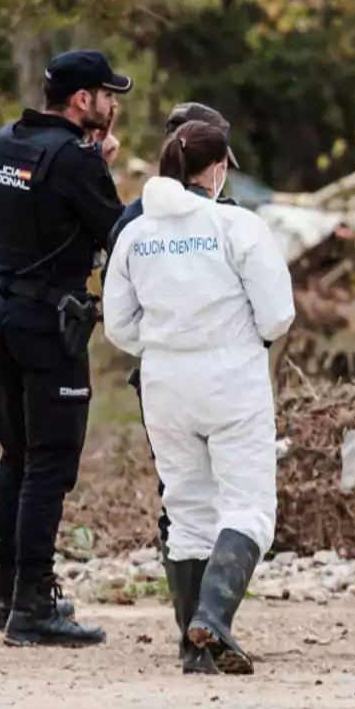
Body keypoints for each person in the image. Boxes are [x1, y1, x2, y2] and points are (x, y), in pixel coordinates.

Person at [102, 121, 295, 675]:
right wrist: (239, 337)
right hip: (231, 374)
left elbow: (118, 324)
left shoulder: (136, 234)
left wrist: (165, 344)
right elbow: (278, 313)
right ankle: (214, 614)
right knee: (249, 507)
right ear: (214, 170)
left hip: (164, 379)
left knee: (185, 512)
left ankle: (194, 650)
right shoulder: (236, 223)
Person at [0, 49, 130, 647]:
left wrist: (93, 158)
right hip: (49, 322)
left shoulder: (4, 144)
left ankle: (5, 595)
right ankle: (35, 606)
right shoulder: (72, 160)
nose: (113, 105)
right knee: (51, 462)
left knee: (16, 457)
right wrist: (101, 168)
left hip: (1, 313)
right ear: (81, 101)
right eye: (106, 94)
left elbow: (40, 212)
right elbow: (118, 234)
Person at [100, 102, 243, 665]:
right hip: (209, 376)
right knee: (206, 498)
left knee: (182, 498)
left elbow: (121, 310)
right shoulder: (224, 219)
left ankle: (200, 625)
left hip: (159, 376)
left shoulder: (134, 220)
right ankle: (201, 625)